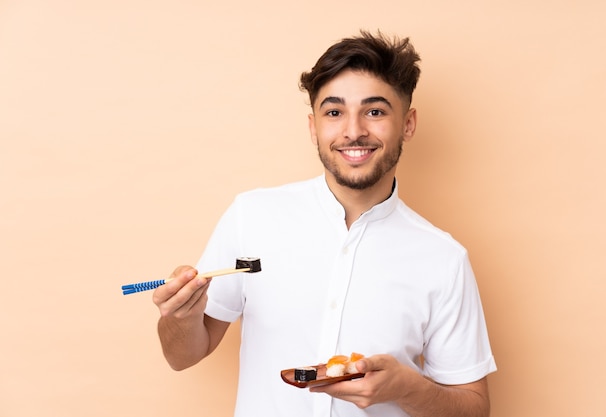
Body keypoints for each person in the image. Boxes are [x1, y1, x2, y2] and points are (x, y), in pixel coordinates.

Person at [153, 30, 497, 417]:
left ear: (409, 124)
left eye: (375, 111)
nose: (353, 131)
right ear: (314, 126)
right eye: (334, 112)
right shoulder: (251, 217)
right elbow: (182, 356)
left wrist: (408, 388)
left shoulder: (443, 258)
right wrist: (179, 320)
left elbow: (474, 409)